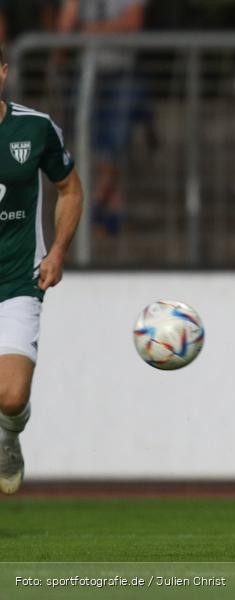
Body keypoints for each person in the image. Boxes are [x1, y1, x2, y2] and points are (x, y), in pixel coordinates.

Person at [0, 46, 83, 494]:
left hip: (17, 280)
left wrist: (58, 251)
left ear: (4, 72)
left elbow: (69, 188)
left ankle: (9, 436)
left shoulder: (33, 127)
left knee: (11, 397)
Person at [57, 0, 147, 235]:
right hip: (86, 73)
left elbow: (133, 22)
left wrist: (91, 30)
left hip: (122, 72)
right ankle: (103, 207)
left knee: (115, 141)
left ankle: (99, 203)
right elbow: (65, 32)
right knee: (87, 141)